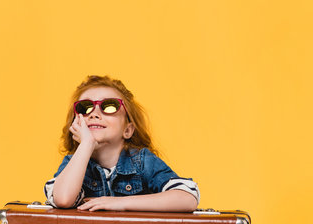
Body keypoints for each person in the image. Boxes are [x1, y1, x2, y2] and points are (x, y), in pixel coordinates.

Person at [44, 75, 200, 212]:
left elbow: (187, 197)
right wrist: (86, 144)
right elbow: (63, 199)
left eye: (109, 106)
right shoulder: (73, 163)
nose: (94, 114)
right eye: (85, 108)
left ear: (128, 129)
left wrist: (120, 202)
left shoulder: (142, 162)